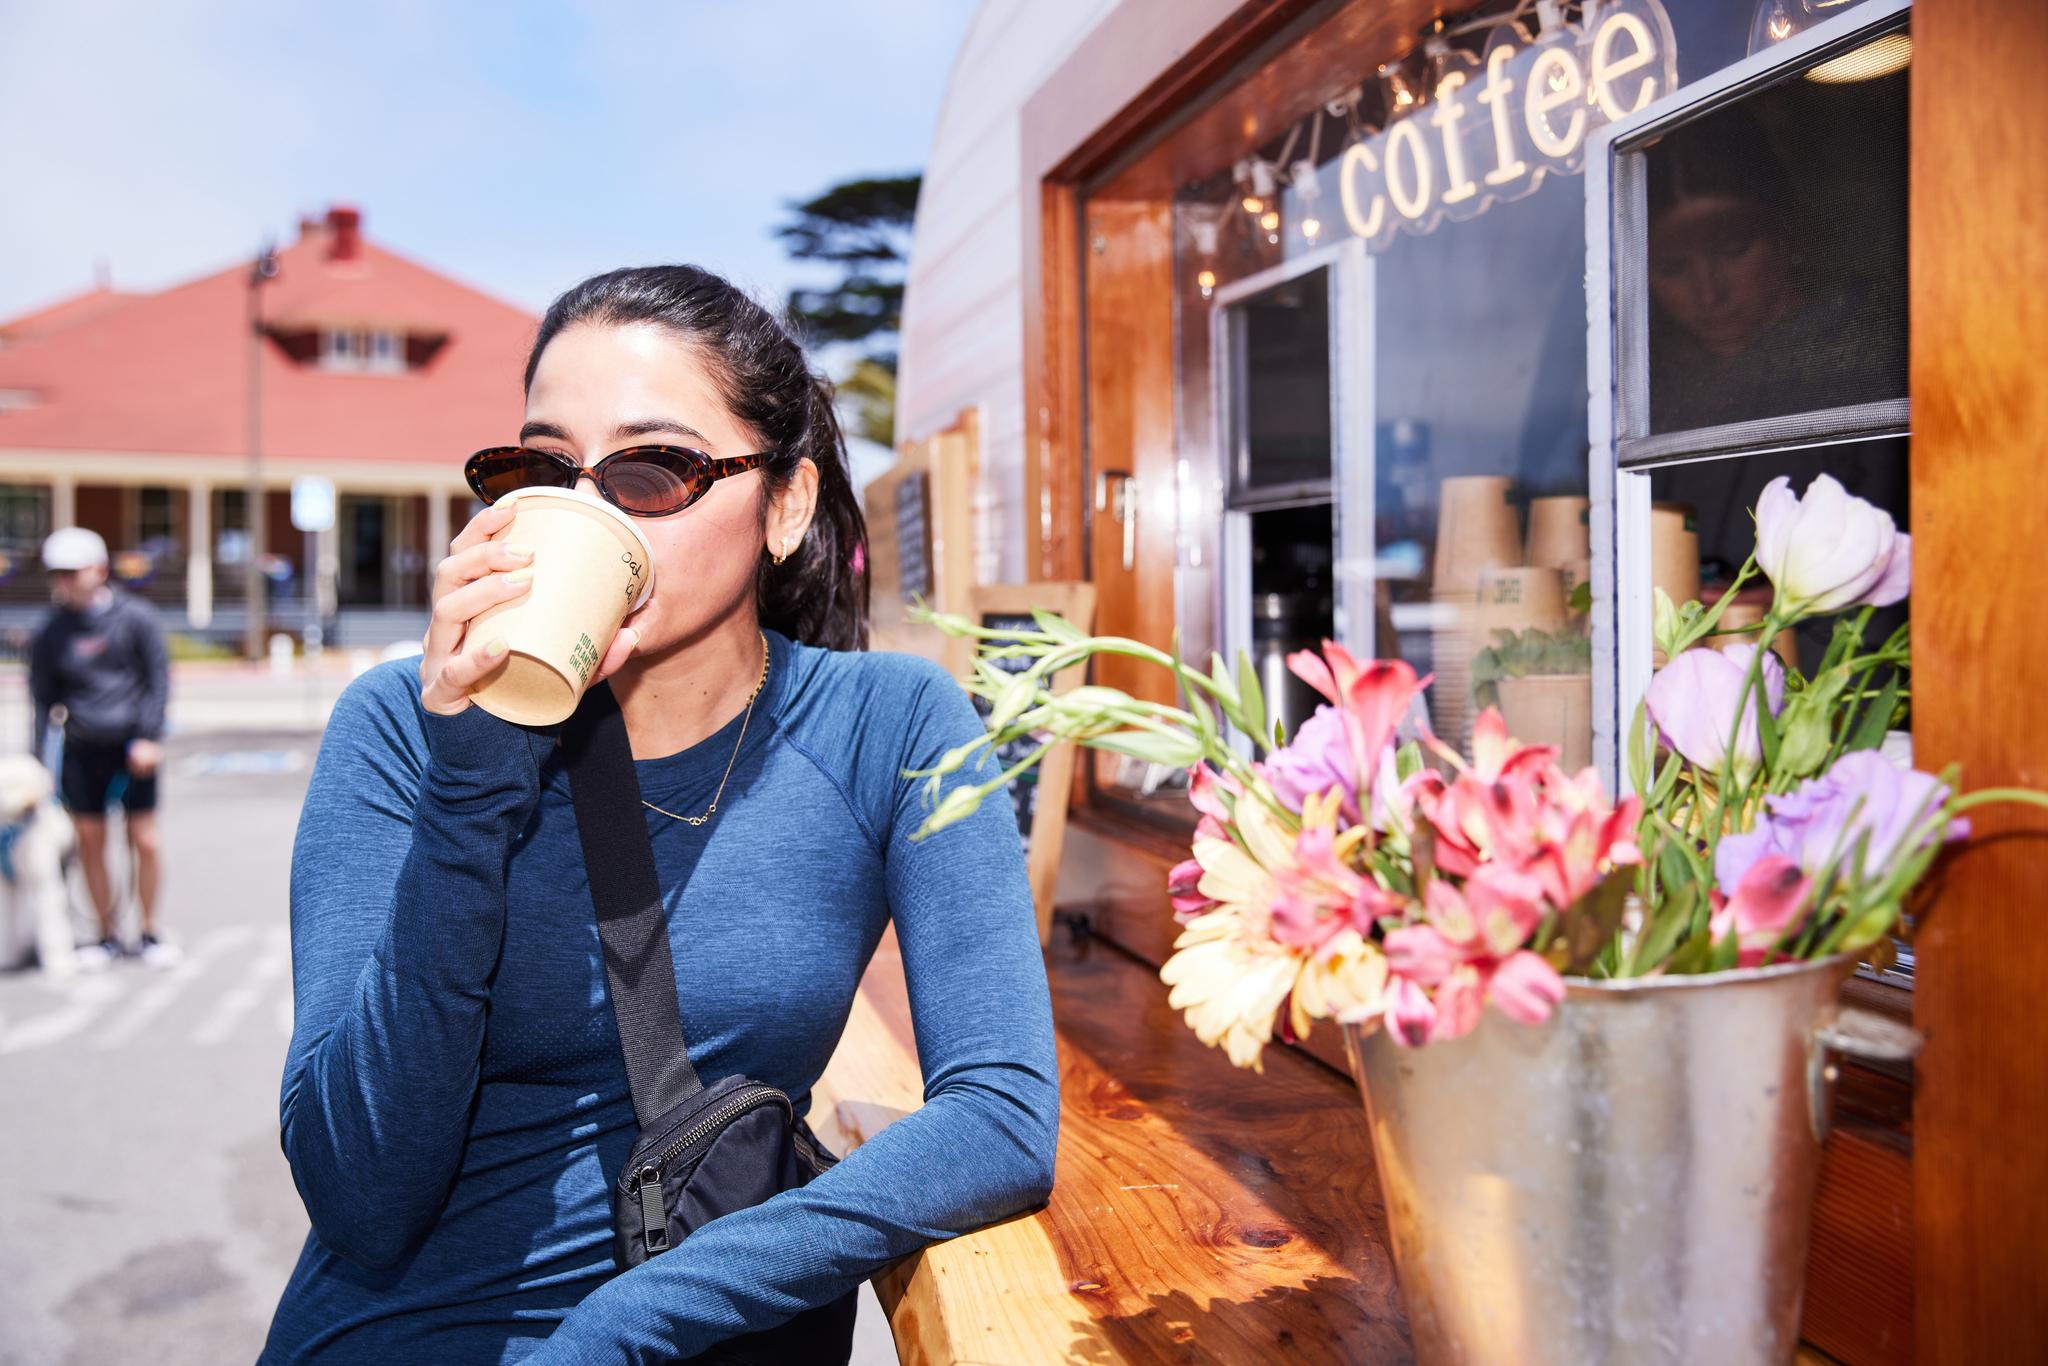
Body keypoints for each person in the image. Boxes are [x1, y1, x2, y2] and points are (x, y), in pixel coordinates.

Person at [263, 265, 1059, 1362]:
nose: (584, 511)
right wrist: (472, 782)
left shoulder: (890, 723)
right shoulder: (402, 728)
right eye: (542, 468)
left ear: (783, 505)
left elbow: (1001, 1116)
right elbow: (360, 1196)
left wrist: (630, 1323)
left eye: (649, 469)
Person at [28, 526, 174, 969]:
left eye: (73, 572)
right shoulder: (51, 632)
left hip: (134, 745)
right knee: (90, 842)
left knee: (144, 840)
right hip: (81, 748)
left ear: (100, 569)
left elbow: (157, 682)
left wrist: (150, 737)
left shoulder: (137, 618)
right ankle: (104, 934)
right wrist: (39, 765)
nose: (65, 582)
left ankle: (149, 931)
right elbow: (41, 701)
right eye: (58, 574)